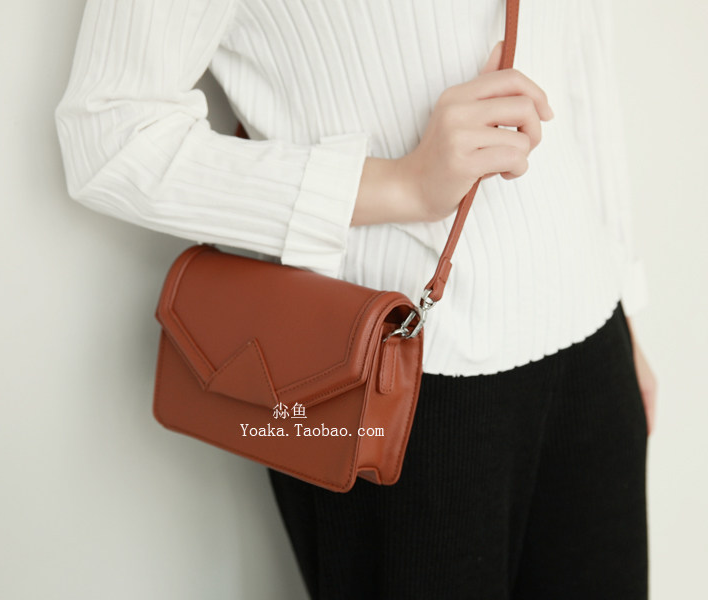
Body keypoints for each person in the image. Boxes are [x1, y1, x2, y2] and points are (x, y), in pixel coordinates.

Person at [55, 0, 657, 598]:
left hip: (593, 344)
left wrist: (624, 304)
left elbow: (582, 65)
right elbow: (110, 135)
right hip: (387, 383)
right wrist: (402, 185)